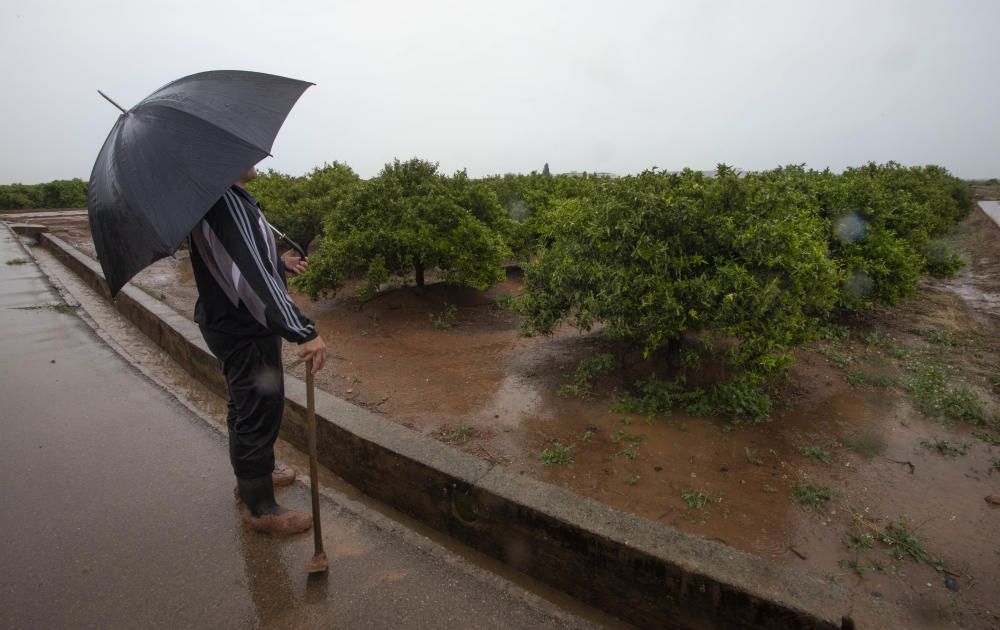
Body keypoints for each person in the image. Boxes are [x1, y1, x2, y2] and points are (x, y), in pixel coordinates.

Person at [189, 164, 327, 535]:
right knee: (257, 410)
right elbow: (253, 279)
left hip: (229, 323)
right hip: (244, 329)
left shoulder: (224, 199)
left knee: (245, 405)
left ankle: (256, 477)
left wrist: (278, 263)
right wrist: (303, 331)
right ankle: (259, 507)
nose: (257, 161)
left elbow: (238, 263)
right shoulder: (226, 203)